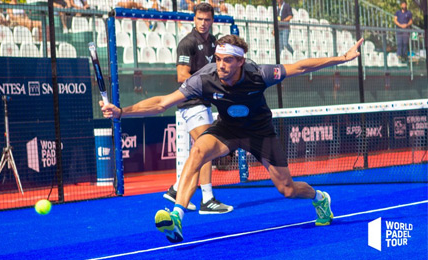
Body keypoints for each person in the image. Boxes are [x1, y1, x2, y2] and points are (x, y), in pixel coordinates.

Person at [100, 34, 364, 243]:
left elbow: (301, 67)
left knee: (287, 189)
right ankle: (177, 216)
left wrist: (342, 57)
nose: (221, 64)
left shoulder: (259, 74)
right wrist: (122, 112)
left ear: (240, 61)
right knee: (198, 151)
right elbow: (162, 103)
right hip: (227, 129)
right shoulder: (205, 78)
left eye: (227, 60)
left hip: (259, 132)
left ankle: (320, 198)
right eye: (218, 58)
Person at [165, 2, 233, 214]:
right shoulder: (187, 43)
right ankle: (207, 199)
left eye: (207, 20)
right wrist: (207, 85)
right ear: (194, 20)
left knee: (200, 150)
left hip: (204, 103)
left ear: (213, 21)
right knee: (207, 147)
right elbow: (181, 76)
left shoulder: (215, 43)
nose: (203, 23)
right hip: (191, 102)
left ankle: (177, 190)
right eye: (199, 19)